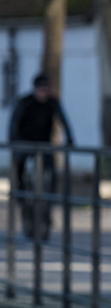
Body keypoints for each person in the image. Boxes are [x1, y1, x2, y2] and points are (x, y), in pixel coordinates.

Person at [8, 74, 74, 239]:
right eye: (40, 89)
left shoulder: (53, 102)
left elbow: (63, 119)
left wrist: (70, 139)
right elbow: (14, 122)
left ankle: (49, 205)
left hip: (44, 144)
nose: (43, 93)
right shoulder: (26, 102)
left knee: (51, 173)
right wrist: (14, 142)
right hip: (25, 142)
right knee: (19, 171)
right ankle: (21, 200)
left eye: (46, 89)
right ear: (35, 89)